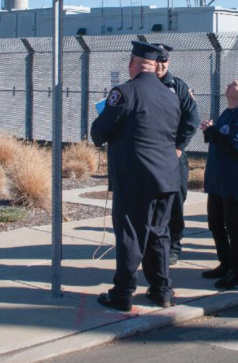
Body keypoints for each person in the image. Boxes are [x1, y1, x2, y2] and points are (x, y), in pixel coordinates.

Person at [91, 41, 181, 312]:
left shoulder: (125, 93)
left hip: (134, 177)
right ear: (154, 65)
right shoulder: (170, 95)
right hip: (166, 177)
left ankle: (122, 292)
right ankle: (161, 290)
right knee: (159, 234)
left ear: (132, 63)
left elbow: (99, 132)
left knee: (130, 234)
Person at [200, 78, 238, 290]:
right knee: (215, 223)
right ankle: (225, 264)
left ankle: (236, 271)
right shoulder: (227, 112)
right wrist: (210, 131)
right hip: (218, 179)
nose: (228, 85)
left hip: (234, 181)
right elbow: (221, 139)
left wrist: (213, 133)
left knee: (233, 227)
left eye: (234, 84)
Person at [154, 43, 200, 265]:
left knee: (175, 201)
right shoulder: (139, 85)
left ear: (168, 61)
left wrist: (179, 147)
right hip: (149, 156)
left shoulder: (178, 87)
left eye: (164, 60)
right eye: (156, 60)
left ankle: (173, 245)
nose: (160, 64)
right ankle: (152, 243)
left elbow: (192, 119)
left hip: (173, 154)